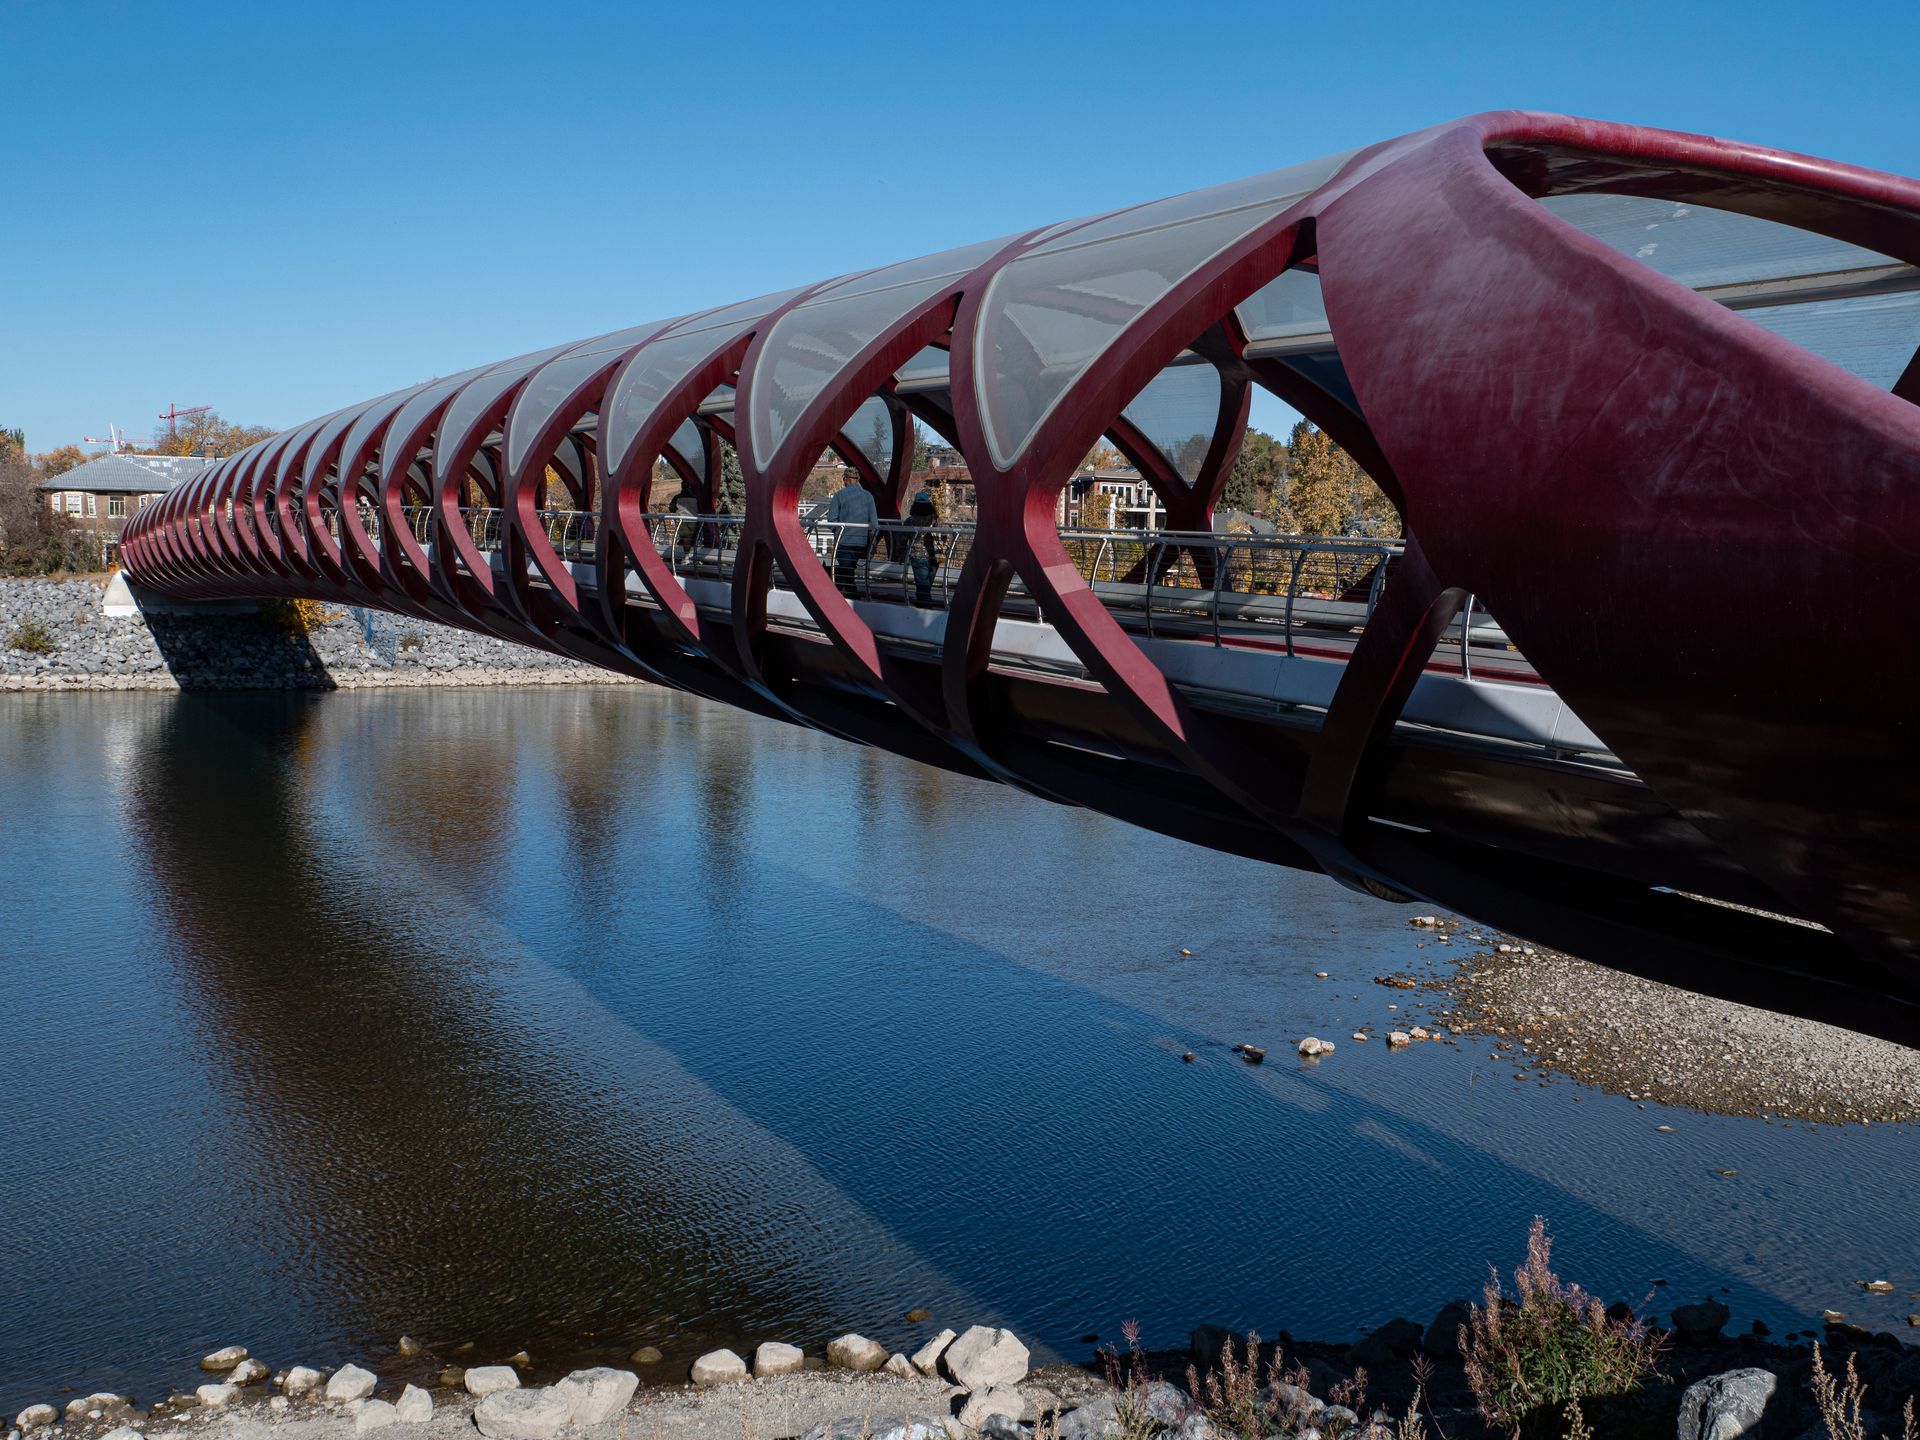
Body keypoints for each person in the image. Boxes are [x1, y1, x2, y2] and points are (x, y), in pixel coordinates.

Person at [825, 470, 878, 596]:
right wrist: (873, 541)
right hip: (861, 543)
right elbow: (875, 524)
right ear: (858, 479)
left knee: (847, 573)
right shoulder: (868, 496)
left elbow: (831, 519)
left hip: (843, 541)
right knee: (849, 571)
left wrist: (839, 531)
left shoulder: (839, 495)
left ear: (845, 479)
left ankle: (850, 597)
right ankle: (845, 596)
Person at [905, 486, 941, 606]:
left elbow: (902, 537)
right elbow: (946, 533)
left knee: (922, 585)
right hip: (935, 555)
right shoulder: (935, 520)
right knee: (926, 586)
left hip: (917, 556)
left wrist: (900, 553)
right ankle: (922, 605)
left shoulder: (910, 521)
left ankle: (924, 608)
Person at [668, 479, 700, 568]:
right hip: (695, 520)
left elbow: (672, 508)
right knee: (693, 539)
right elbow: (700, 508)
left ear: (682, 486)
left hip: (683, 520)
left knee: (686, 538)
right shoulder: (695, 497)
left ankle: (686, 558)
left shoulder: (677, 497)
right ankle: (692, 558)